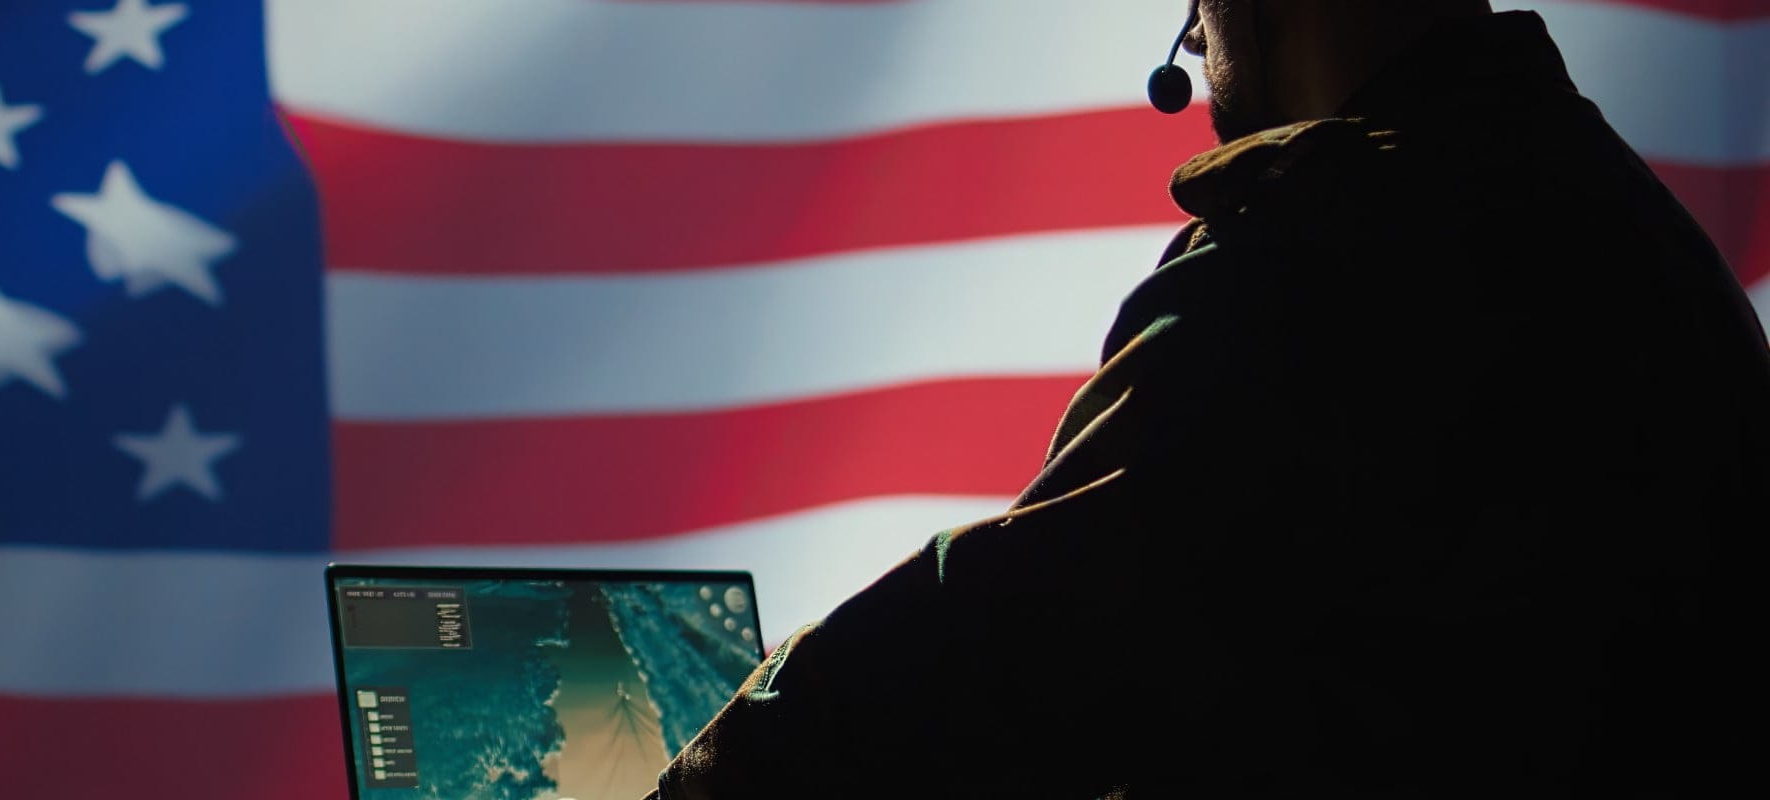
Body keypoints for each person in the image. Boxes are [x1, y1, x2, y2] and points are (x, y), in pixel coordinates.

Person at [646, 1, 1770, 797]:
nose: (1194, 42)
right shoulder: (1634, 235)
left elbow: (1020, 629)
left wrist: (708, 773)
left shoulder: (1338, 244)